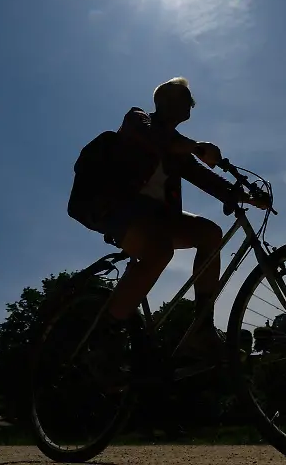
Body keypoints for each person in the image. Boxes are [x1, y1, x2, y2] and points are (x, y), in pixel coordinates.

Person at [98, 76, 269, 366]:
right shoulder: (137, 119)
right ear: (162, 99)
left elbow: (207, 179)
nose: (189, 104)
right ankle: (105, 340)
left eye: (190, 101)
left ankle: (201, 332)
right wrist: (196, 146)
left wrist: (248, 196)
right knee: (160, 250)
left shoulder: (177, 150)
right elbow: (154, 137)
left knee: (210, 233)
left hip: (156, 219)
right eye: (183, 98)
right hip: (119, 210)